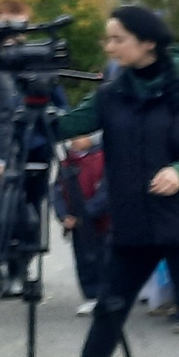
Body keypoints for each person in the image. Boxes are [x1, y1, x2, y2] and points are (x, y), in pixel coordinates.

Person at [12, 6, 179, 357]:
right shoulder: (113, 92)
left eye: (117, 39)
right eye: (107, 38)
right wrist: (30, 102)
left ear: (148, 43)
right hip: (134, 219)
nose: (108, 46)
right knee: (109, 308)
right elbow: (67, 126)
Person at [53, 133, 112, 315]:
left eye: (81, 136)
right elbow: (57, 192)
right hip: (77, 223)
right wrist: (64, 215)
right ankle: (91, 295)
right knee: (84, 259)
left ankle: (107, 294)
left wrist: (86, 213)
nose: (74, 140)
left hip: (102, 221)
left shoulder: (103, 158)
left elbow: (106, 192)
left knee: (105, 257)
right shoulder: (66, 163)